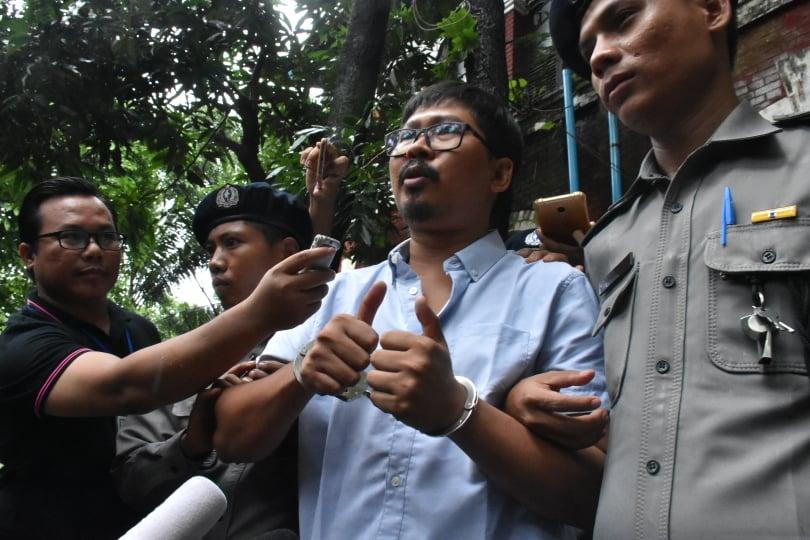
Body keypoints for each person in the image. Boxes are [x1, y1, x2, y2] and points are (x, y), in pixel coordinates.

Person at [211, 81, 608, 539]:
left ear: (499, 174)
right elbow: (232, 439)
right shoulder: (334, 294)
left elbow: (592, 495)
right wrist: (300, 373)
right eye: (404, 137)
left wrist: (458, 411)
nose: (415, 145)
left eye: (445, 131)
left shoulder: (556, 290)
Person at [513, 1, 810, 537]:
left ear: (713, 9)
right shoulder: (606, 244)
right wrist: (526, 403)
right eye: (588, 50)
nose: (601, 55)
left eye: (623, 18)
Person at [0, 177, 335, 538]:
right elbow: (128, 385)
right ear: (28, 255)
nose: (94, 250)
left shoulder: (139, 332)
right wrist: (194, 439)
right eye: (72, 237)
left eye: (106, 237)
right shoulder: (23, 348)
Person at [113, 143, 348, 539]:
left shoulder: (333, 350)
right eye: (210, 248)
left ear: (287, 252)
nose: (214, 260)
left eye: (233, 243)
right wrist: (193, 442)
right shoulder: (177, 362)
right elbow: (130, 483)